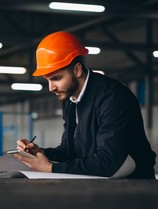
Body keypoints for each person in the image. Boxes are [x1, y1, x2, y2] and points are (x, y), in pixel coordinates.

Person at [15, 31, 156, 179]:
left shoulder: (113, 98)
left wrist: (50, 168)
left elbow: (108, 162)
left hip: (135, 187)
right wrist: (40, 153)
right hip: (98, 184)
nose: (51, 88)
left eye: (56, 78)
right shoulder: (70, 99)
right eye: (47, 80)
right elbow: (69, 151)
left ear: (77, 70)